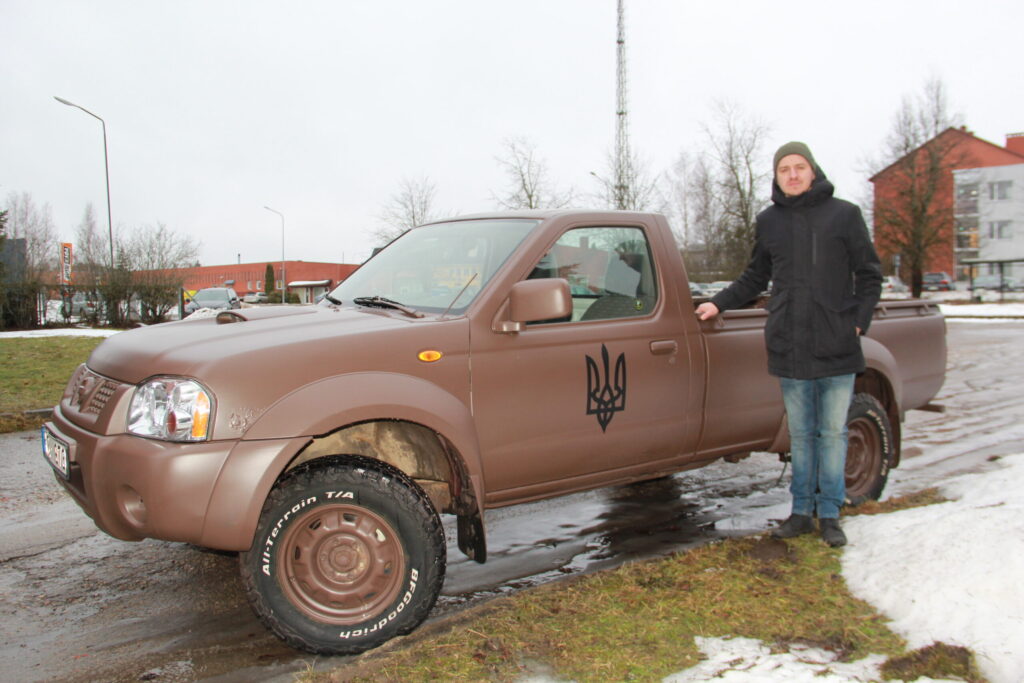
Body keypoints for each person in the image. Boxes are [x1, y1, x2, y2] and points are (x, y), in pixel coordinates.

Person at [695, 141, 882, 547]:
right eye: (784, 169)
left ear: (813, 171)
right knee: (801, 435)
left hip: (836, 344)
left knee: (831, 433)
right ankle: (800, 513)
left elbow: (870, 275)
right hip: (789, 343)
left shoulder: (845, 215)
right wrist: (718, 303)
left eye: (799, 167)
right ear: (777, 176)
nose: (792, 175)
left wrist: (857, 322)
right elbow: (755, 277)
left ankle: (829, 514)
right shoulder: (769, 221)